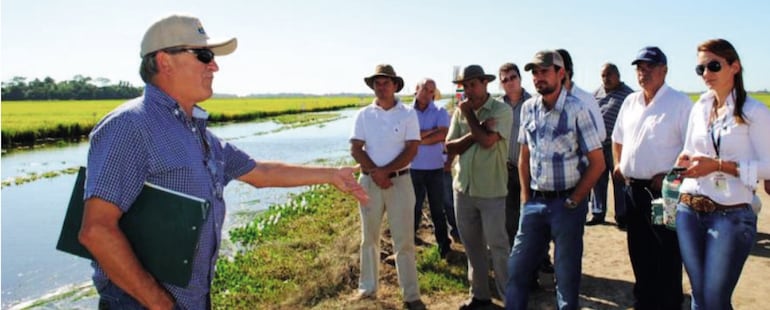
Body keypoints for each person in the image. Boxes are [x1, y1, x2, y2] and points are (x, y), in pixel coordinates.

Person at [77, 14, 368, 310]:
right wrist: (162, 305)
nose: (214, 66)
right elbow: (97, 230)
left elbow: (261, 172)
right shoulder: (130, 126)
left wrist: (332, 174)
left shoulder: (199, 134)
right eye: (204, 56)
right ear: (165, 61)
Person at [675, 38, 770, 309]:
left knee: (715, 299)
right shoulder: (699, 108)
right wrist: (684, 161)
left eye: (713, 66)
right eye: (700, 69)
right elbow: (690, 151)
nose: (706, 74)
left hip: (731, 215)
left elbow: (769, 166)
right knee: (699, 296)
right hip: (689, 210)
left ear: (735, 67)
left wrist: (718, 166)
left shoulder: (755, 112)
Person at [505, 50, 605, 310]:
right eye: (535, 73)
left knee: (566, 276)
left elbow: (598, 163)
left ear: (561, 73)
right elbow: (523, 158)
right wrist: (526, 198)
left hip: (567, 205)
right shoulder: (529, 109)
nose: (538, 78)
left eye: (544, 71)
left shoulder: (577, 110)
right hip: (535, 203)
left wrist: (576, 199)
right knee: (517, 270)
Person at [612, 46, 692, 309]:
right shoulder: (631, 102)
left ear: (664, 70)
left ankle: (669, 304)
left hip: (665, 192)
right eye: (639, 68)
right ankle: (644, 302)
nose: (643, 73)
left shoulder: (679, 103)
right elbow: (617, 138)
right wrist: (618, 164)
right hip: (633, 191)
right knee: (639, 252)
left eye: (649, 67)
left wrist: (671, 176)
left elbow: (691, 148)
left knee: (667, 252)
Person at [350, 64, 426, 310]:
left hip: (400, 182)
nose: (381, 87)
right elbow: (355, 148)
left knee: (403, 240)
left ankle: (411, 295)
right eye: (377, 83)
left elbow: (412, 148)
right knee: (368, 239)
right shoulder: (364, 115)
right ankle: (368, 288)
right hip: (369, 182)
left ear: (395, 85)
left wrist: (387, 172)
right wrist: (375, 172)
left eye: (385, 83)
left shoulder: (407, 114)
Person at [446, 65, 512, 309]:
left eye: (473, 84)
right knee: (473, 246)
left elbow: (486, 143)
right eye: (465, 85)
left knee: (498, 246)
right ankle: (479, 295)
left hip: (491, 190)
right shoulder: (459, 113)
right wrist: (477, 130)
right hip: (463, 189)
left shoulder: (501, 111)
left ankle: (509, 298)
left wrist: (471, 119)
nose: (469, 90)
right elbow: (450, 147)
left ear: (485, 84)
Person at [410, 78, 452, 258]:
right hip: (412, 168)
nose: (428, 94)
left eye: (431, 91)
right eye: (425, 89)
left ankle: (444, 246)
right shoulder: (406, 113)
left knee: (437, 209)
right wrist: (430, 132)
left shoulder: (440, 111)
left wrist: (418, 138)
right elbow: (407, 137)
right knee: (413, 208)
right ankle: (407, 246)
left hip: (435, 168)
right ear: (416, 89)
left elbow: (443, 134)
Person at [588, 63, 634, 227]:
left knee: (619, 179)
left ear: (618, 75)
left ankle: (622, 215)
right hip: (598, 144)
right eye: (603, 76)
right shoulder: (595, 94)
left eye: (609, 75)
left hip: (618, 145)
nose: (606, 79)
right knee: (597, 179)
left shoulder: (628, 95)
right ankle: (598, 213)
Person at [496, 63, 531, 248]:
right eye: (505, 80)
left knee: (533, 215)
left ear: (520, 78)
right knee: (509, 217)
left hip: (530, 169)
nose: (510, 82)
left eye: (513, 77)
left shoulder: (533, 103)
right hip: (506, 168)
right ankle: (513, 255)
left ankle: (541, 258)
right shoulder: (497, 107)